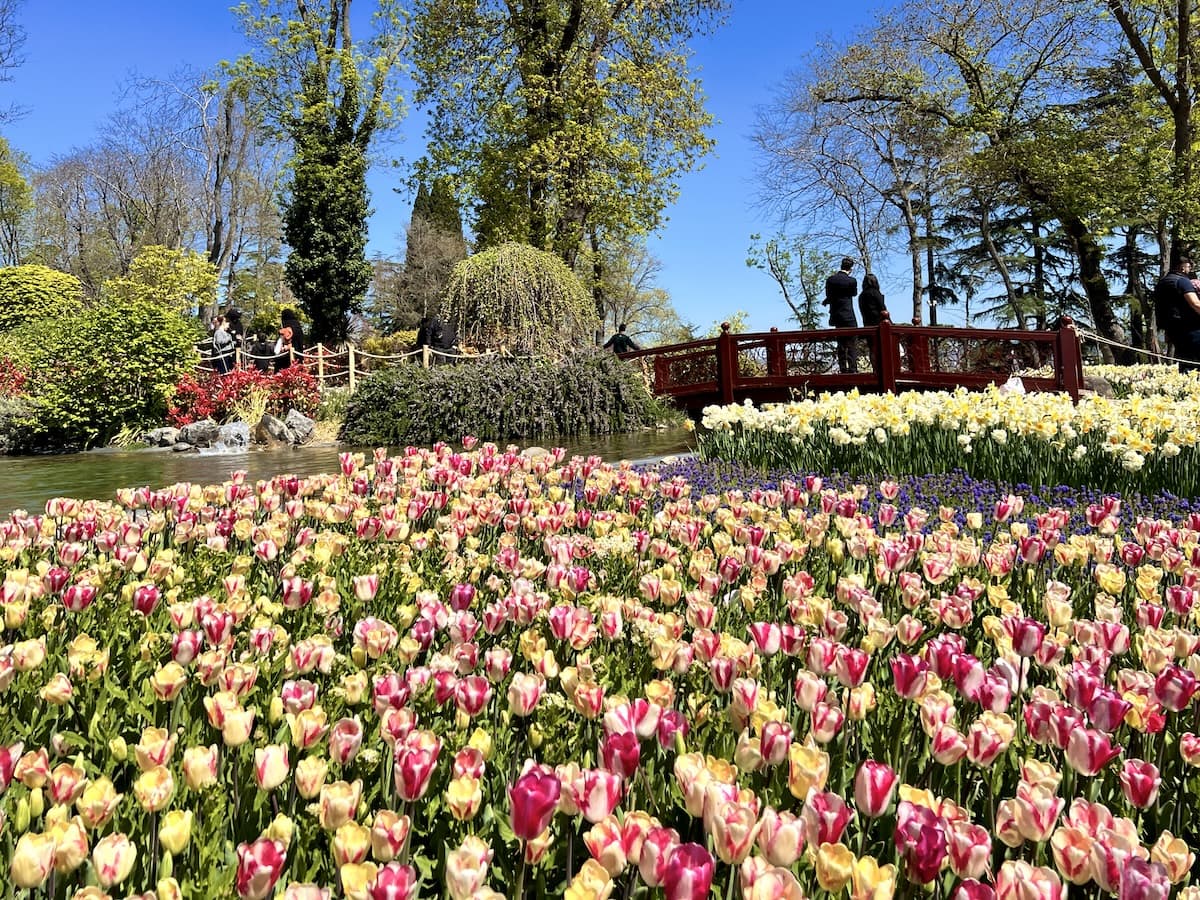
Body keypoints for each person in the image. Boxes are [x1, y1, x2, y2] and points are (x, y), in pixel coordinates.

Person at [1156, 256, 1200, 372]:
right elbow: (1195, 303)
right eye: (1188, 267)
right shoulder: (1182, 281)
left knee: (1185, 362)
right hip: (1190, 328)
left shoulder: (1162, 283)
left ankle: (1186, 387)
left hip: (1172, 329)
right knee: (1195, 362)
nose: (1189, 270)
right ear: (1182, 267)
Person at [824, 256, 859, 373]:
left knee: (841, 343)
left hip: (836, 315)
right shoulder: (852, 281)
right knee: (852, 343)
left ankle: (843, 368)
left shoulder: (830, 280)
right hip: (848, 314)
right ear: (851, 268)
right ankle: (853, 368)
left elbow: (829, 295)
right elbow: (854, 293)